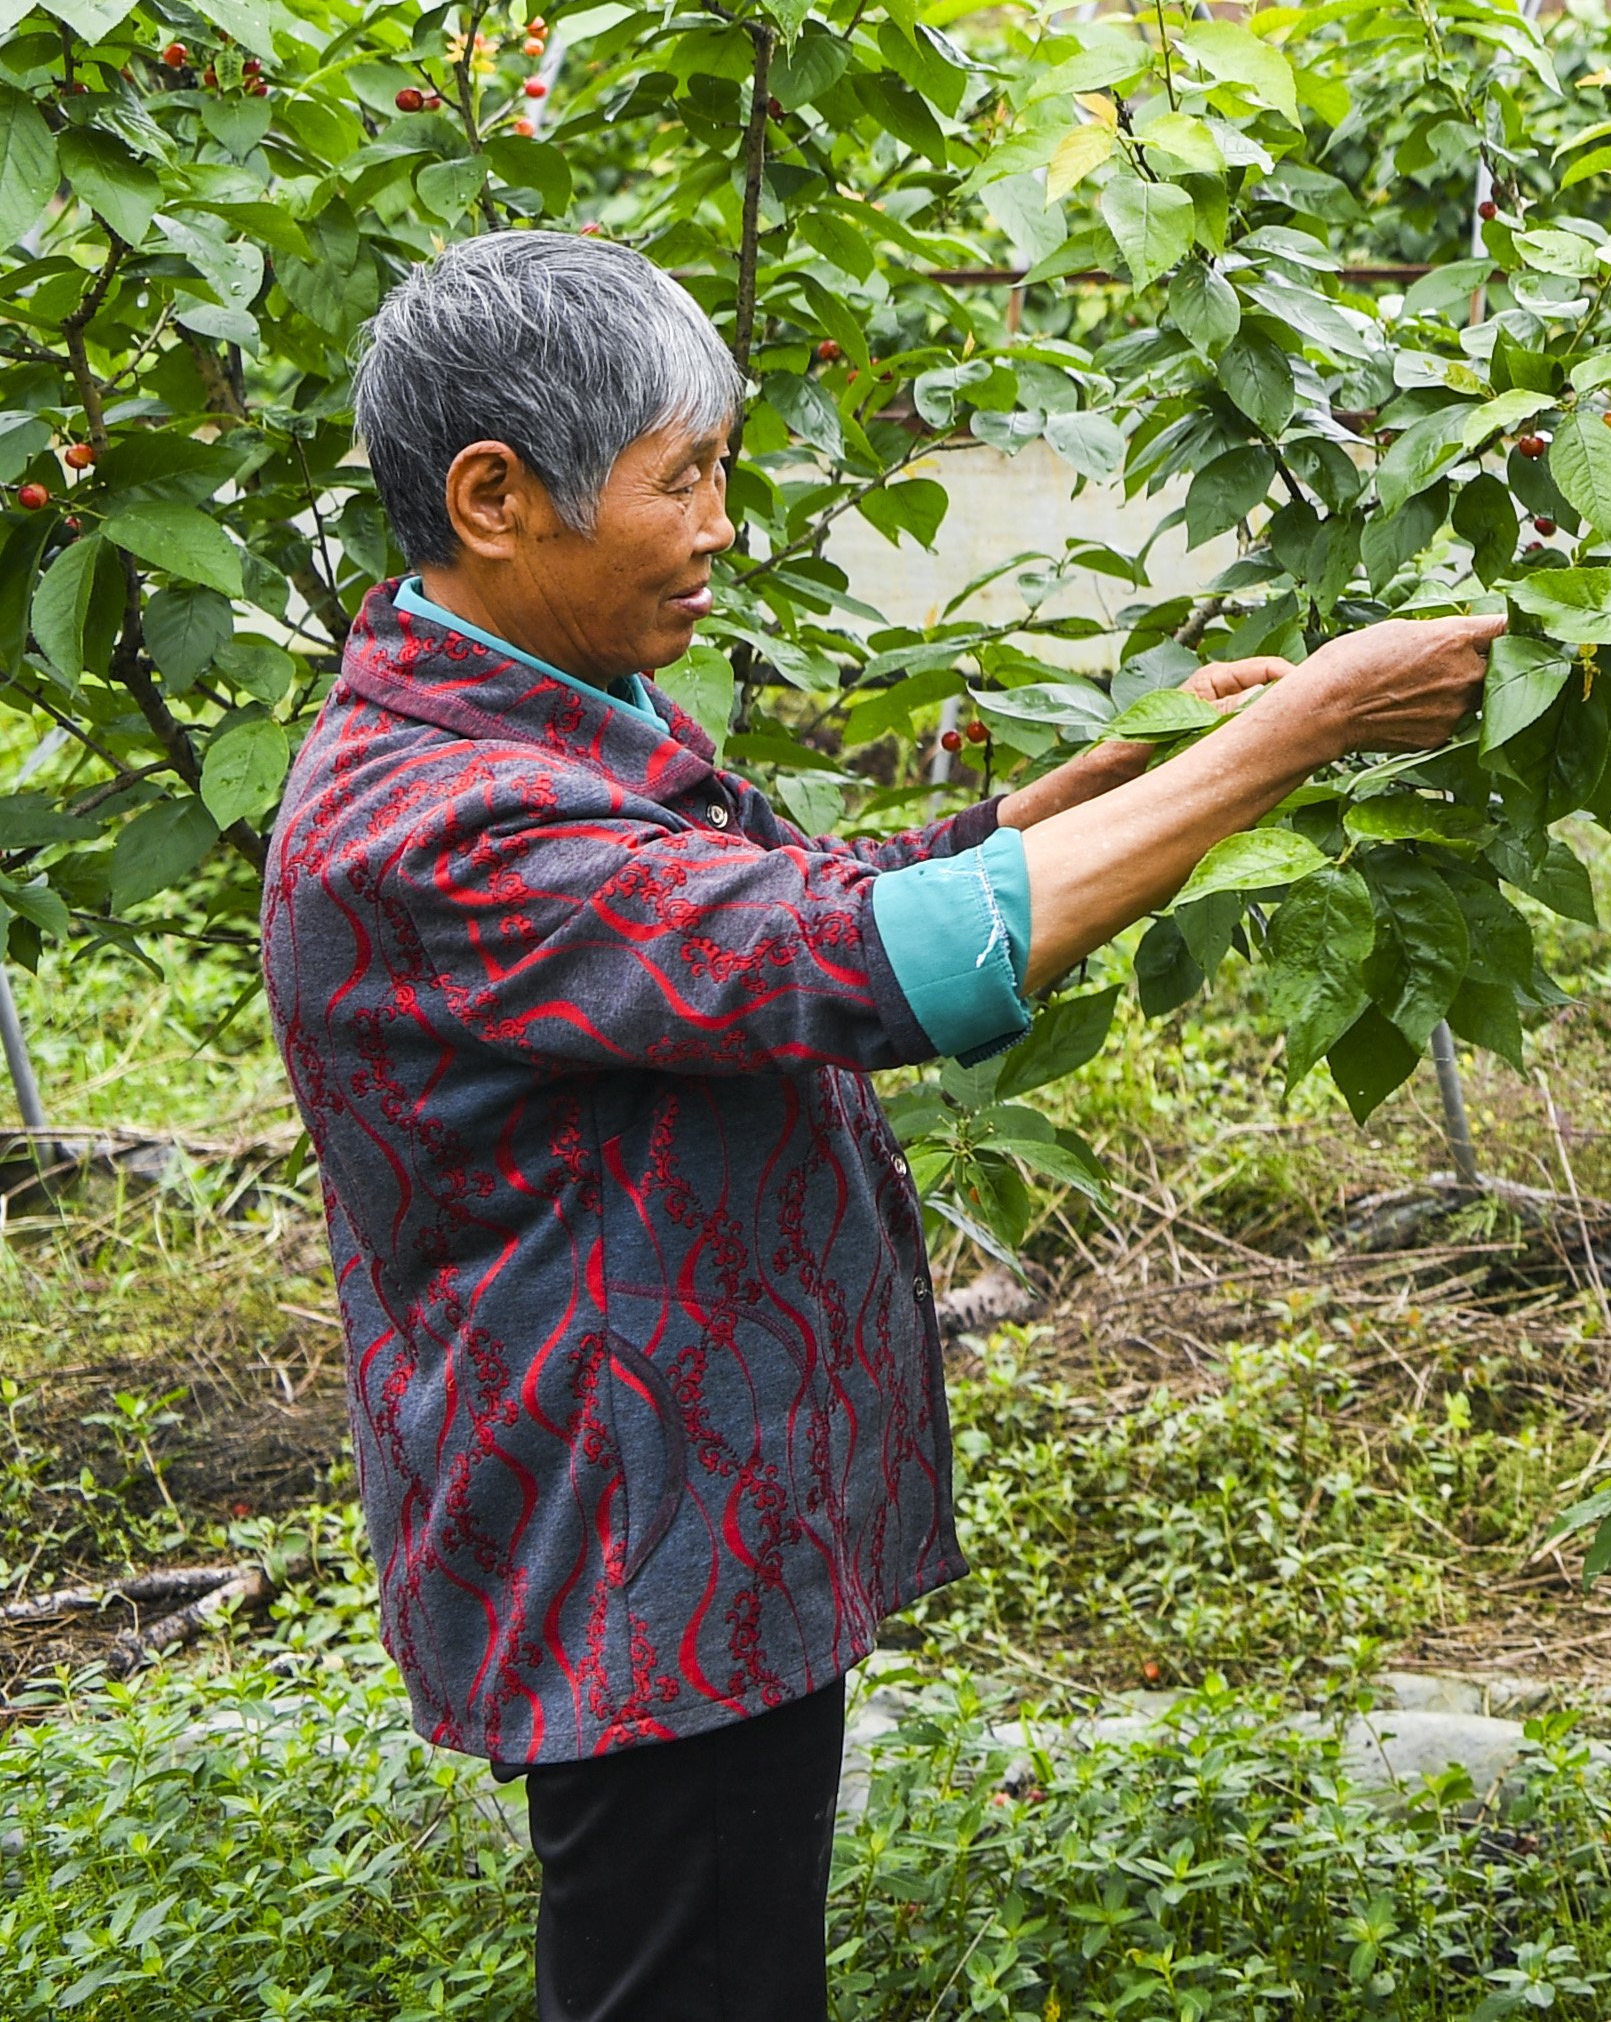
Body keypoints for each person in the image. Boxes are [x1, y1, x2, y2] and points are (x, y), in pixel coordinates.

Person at [262, 230, 1506, 2022]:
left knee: (724, 1957)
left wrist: (1107, 778)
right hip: (633, 1540)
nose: (718, 524)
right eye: (680, 478)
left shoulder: (543, 714)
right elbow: (851, 961)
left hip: (690, 1498)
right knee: (682, 1978)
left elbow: (763, 890)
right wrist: (1288, 741)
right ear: (496, 494)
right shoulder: (442, 821)